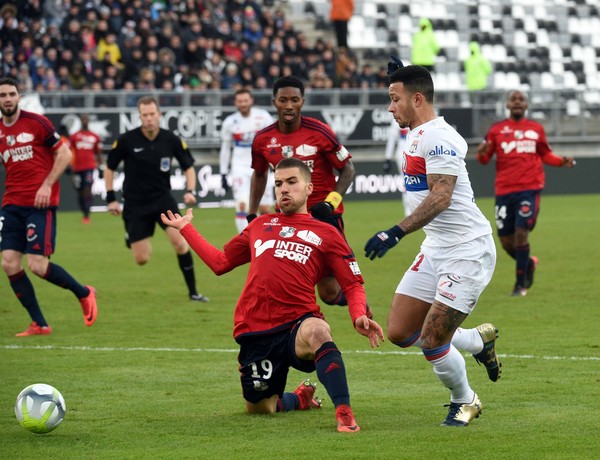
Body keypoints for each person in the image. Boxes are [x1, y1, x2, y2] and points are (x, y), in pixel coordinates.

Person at [161, 157, 384, 432]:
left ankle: (344, 413)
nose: (283, 189)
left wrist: (358, 314)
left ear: (309, 188)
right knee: (260, 408)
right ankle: (299, 398)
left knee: (318, 332)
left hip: (298, 323)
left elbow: (352, 283)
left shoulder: (327, 233)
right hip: (256, 329)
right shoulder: (259, 225)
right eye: (278, 184)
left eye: (292, 182)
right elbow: (220, 263)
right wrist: (187, 229)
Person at [364, 64, 501, 426]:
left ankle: (466, 401)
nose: (390, 108)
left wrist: (395, 231)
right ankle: (477, 341)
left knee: (432, 338)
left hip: (467, 251)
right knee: (399, 332)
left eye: (395, 100)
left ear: (418, 99)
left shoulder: (439, 138)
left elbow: (441, 197)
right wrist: (400, 70)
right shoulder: (417, 132)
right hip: (436, 247)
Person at [248, 75, 368, 315]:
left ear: (302, 102)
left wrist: (330, 203)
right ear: (275, 103)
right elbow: (260, 175)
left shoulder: (320, 132)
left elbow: (348, 169)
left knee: (329, 292)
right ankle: (296, 331)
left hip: (324, 217)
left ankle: (360, 306)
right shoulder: (263, 139)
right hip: (287, 219)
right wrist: (252, 212)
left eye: (294, 100)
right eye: (283, 100)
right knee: (284, 279)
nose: (289, 105)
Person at [0, 76, 98, 336]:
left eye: (11, 94)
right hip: (11, 204)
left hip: (39, 204)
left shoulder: (37, 123)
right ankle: (40, 324)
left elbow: (65, 154)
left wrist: (46, 185)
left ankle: (84, 292)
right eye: (2, 95)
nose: (7, 99)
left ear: (19, 97)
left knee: (37, 265)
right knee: (9, 263)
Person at [104, 96, 209, 302]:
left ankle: (194, 292)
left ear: (159, 115)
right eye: (145, 115)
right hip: (135, 203)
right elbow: (109, 169)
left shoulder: (171, 139)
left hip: (163, 200)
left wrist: (190, 190)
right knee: (142, 259)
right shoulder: (126, 140)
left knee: (180, 243)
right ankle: (130, 235)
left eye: (152, 114)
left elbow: (188, 167)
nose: (149, 118)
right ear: (139, 116)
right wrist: (110, 198)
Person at [476, 90, 576, 296]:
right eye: (513, 99)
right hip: (504, 191)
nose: (517, 102)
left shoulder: (536, 129)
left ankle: (520, 285)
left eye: (521, 99)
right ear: (508, 105)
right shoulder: (496, 130)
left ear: (526, 105)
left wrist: (561, 161)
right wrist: (481, 152)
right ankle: (529, 262)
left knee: (521, 232)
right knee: (506, 243)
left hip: (529, 189)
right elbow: (484, 159)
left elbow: (545, 154)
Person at [219, 88, 275, 233]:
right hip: (239, 167)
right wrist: (223, 173)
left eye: (245, 100)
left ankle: (266, 240)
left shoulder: (263, 117)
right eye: (240, 101)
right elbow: (225, 149)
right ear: (235, 103)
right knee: (242, 205)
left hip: (261, 167)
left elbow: (273, 142)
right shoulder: (230, 122)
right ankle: (245, 243)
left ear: (251, 101)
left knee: (265, 208)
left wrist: (275, 164)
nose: (243, 104)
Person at [69, 113, 103, 224]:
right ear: (80, 121)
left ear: (88, 121)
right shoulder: (74, 136)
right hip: (77, 168)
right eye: (83, 119)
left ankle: (87, 214)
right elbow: (69, 151)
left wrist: (101, 166)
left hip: (89, 167)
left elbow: (98, 153)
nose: (84, 121)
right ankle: (84, 211)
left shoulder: (94, 136)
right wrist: (69, 165)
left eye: (86, 119)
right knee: (79, 191)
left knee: (87, 190)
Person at [384, 118, 411, 216]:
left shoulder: (420, 112)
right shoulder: (398, 117)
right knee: (406, 181)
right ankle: (408, 209)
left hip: (418, 150)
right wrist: (388, 158)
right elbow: (392, 139)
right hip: (402, 151)